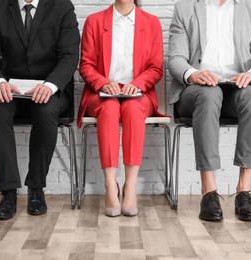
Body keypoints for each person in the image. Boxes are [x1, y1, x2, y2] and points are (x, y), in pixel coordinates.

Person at [168, 0, 251, 221]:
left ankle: (244, 192)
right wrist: (192, 74)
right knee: (209, 94)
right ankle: (209, 192)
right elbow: (176, 59)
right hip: (196, 90)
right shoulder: (185, 7)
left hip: (236, 89)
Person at [0, 0, 80, 220]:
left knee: (45, 110)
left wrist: (50, 86)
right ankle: (8, 192)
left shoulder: (62, 7)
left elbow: (70, 56)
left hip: (50, 89)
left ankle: (36, 189)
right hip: (11, 88)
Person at [77, 0, 166, 217]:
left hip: (139, 94)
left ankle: (130, 187)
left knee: (133, 109)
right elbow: (86, 64)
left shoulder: (152, 22)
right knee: (109, 108)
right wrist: (101, 83)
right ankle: (110, 186)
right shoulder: (94, 21)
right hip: (101, 95)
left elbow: (156, 67)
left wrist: (137, 84)